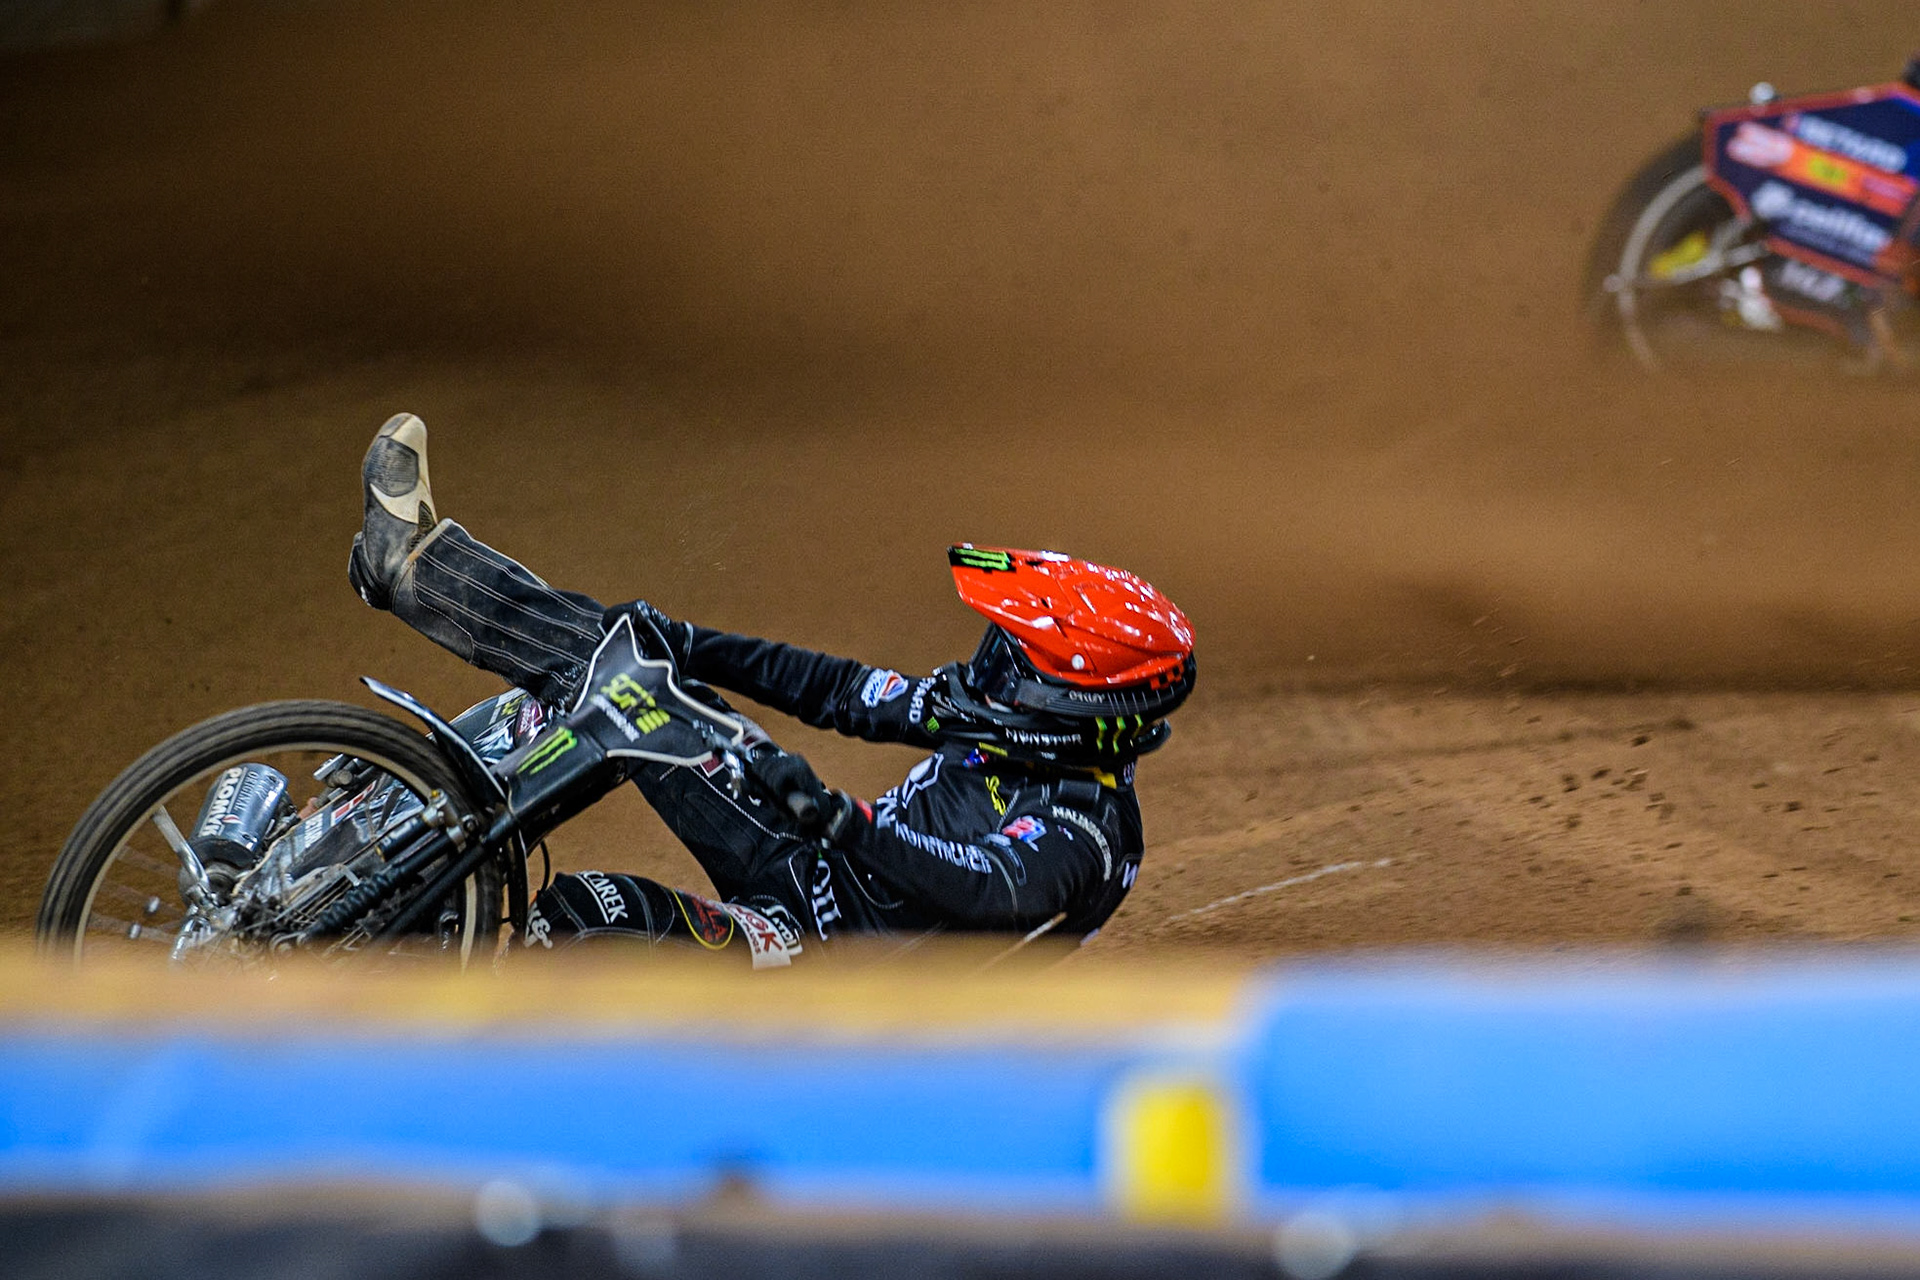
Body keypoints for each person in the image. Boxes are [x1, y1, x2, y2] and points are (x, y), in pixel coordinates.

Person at [348, 413, 1195, 964]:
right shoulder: (994, 718)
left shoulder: (1086, 837)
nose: (985, 668)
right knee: (622, 670)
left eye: (1017, 660)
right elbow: (840, 690)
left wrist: (843, 820)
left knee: (571, 920)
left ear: (1077, 710)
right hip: (799, 856)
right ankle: (417, 578)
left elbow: (979, 885)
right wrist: (688, 643)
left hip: (817, 983)